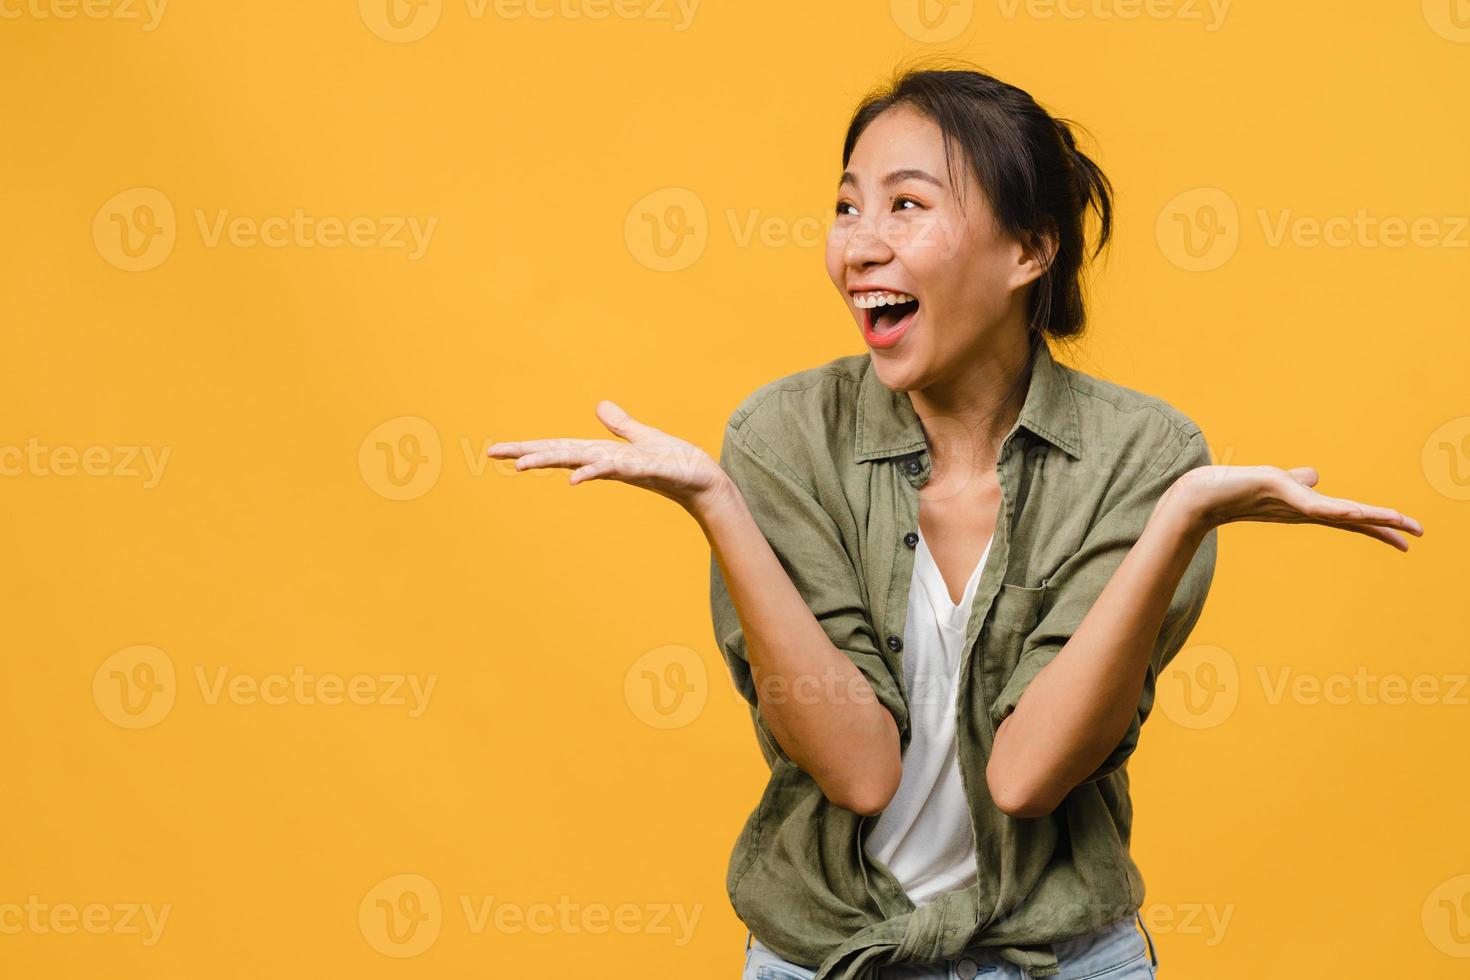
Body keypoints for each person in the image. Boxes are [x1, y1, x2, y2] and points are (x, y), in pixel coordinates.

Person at [486, 61, 1423, 979]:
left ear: (1029, 250)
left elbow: (1026, 777)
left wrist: (1177, 521)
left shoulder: (1142, 458)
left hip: (1063, 959)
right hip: (827, 957)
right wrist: (717, 506)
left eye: (906, 204)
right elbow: (858, 772)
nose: (859, 245)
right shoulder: (781, 439)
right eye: (847, 205)